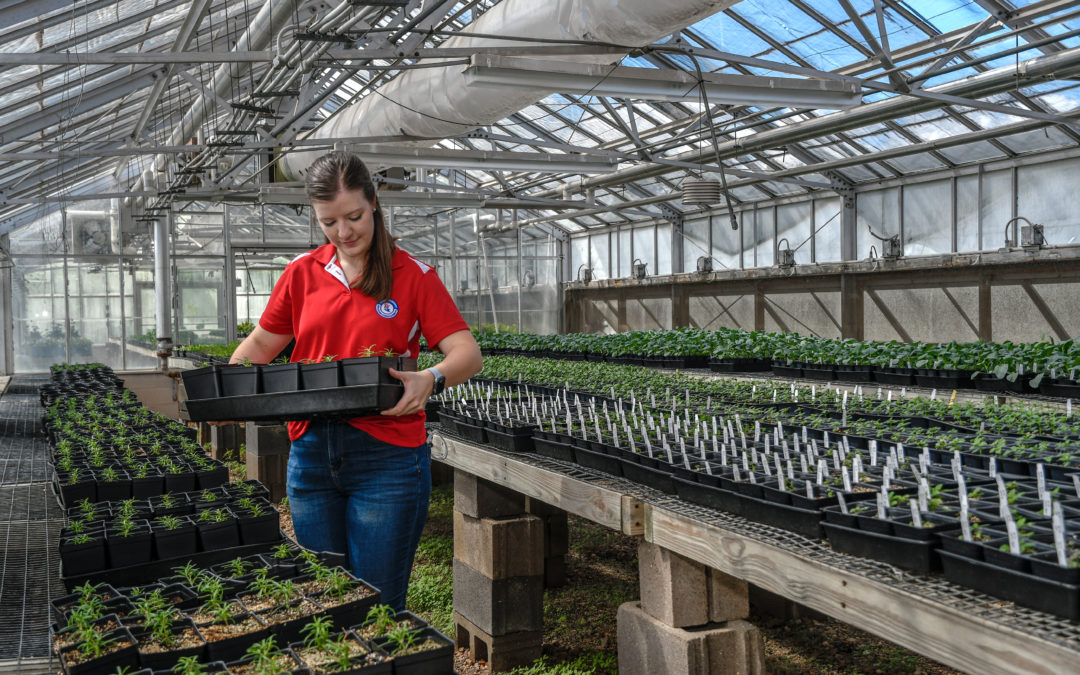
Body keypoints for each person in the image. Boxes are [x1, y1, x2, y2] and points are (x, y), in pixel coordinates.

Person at [229, 151, 482, 610]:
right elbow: (261, 347)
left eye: (354, 216)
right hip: (309, 454)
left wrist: (431, 377)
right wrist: (225, 387)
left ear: (375, 202)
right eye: (328, 222)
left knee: (379, 607)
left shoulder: (414, 275)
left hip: (387, 458)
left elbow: (467, 353)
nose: (343, 232)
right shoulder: (302, 274)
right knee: (325, 606)